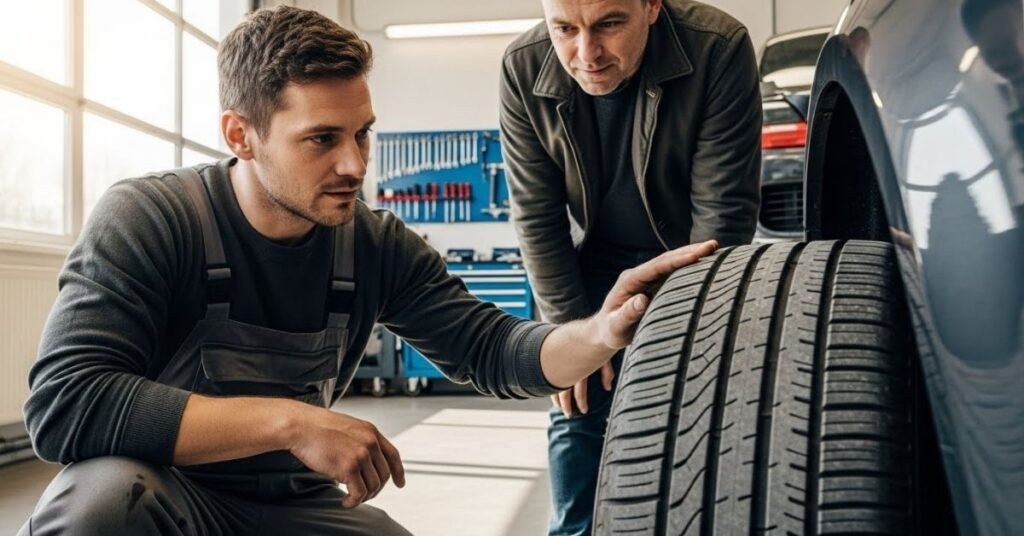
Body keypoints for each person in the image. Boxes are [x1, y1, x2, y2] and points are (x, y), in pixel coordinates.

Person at [17, 6, 719, 535]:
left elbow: (492, 348)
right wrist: (291, 424)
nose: (355, 165)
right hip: (169, 496)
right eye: (322, 139)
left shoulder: (372, 245)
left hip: (291, 510)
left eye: (363, 134)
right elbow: (67, 405)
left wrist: (597, 331)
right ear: (241, 135)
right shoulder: (153, 218)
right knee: (97, 508)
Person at [499, 0, 761, 533]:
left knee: (694, 422)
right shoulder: (523, 65)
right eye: (565, 30)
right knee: (578, 413)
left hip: (693, 263)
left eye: (609, 24)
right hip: (589, 276)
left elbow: (721, 216)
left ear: (651, 6)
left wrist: (684, 339)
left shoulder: (718, 47)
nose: (586, 53)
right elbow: (536, 217)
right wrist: (572, 335)